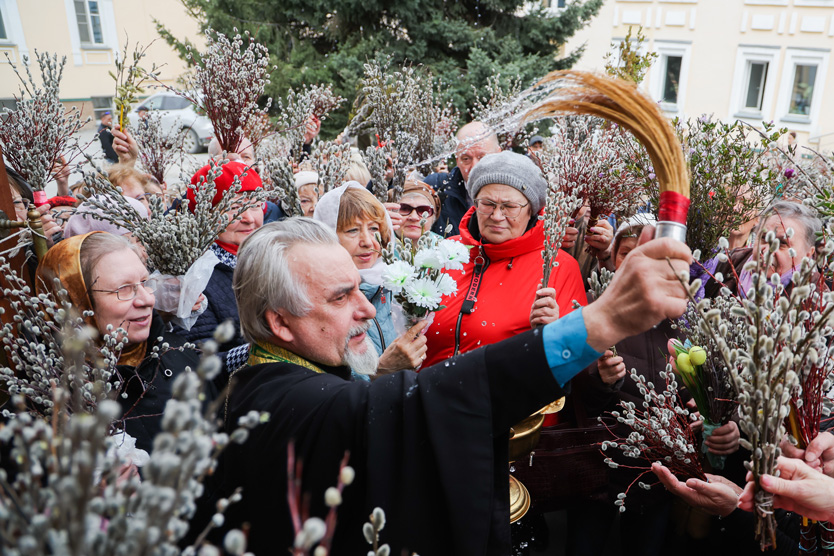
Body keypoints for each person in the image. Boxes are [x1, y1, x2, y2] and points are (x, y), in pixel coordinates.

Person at [190, 216, 691, 555]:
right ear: (279, 323)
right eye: (341, 298)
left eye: (360, 289)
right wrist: (600, 322)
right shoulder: (284, 403)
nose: (366, 309)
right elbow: (435, 399)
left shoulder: (281, 374)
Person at [569, 214, 740, 556]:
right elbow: (574, 396)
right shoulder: (594, 310)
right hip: (595, 472)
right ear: (615, 259)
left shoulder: (688, 323)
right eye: (628, 254)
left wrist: (720, 425)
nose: (641, 265)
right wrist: (600, 380)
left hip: (658, 478)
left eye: (653, 256)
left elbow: (708, 394)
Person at [36, 232, 202, 453]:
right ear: (74, 302)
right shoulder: (49, 403)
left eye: (145, 282)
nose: (147, 299)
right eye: (123, 289)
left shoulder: (177, 351)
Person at [423, 151, 587, 367]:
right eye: (487, 204)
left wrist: (553, 335)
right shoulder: (446, 252)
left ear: (531, 211)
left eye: (509, 207)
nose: (497, 216)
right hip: (428, 386)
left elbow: (576, 358)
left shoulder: (558, 267)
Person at [313, 183, 427, 375]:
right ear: (328, 235)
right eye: (352, 230)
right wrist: (379, 372)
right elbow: (325, 383)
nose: (367, 241)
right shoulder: (320, 299)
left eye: (374, 228)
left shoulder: (392, 283)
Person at [182, 161, 265, 351]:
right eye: (234, 207)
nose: (249, 218)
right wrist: (259, 352)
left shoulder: (277, 258)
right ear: (206, 214)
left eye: (255, 206)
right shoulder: (195, 275)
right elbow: (199, 355)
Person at [701, 200, 820, 299]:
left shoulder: (815, 299)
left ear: (808, 254)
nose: (767, 251)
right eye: (763, 238)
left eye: (782, 243)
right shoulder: (730, 262)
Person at [423, 120, 501, 236]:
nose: (474, 167)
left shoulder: (515, 194)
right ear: (457, 160)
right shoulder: (436, 187)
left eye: (482, 157)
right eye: (466, 159)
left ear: (499, 155)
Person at [397, 177, 442, 243]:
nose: (414, 217)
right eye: (404, 209)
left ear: (434, 217)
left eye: (423, 210)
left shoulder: (446, 247)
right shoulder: (380, 245)